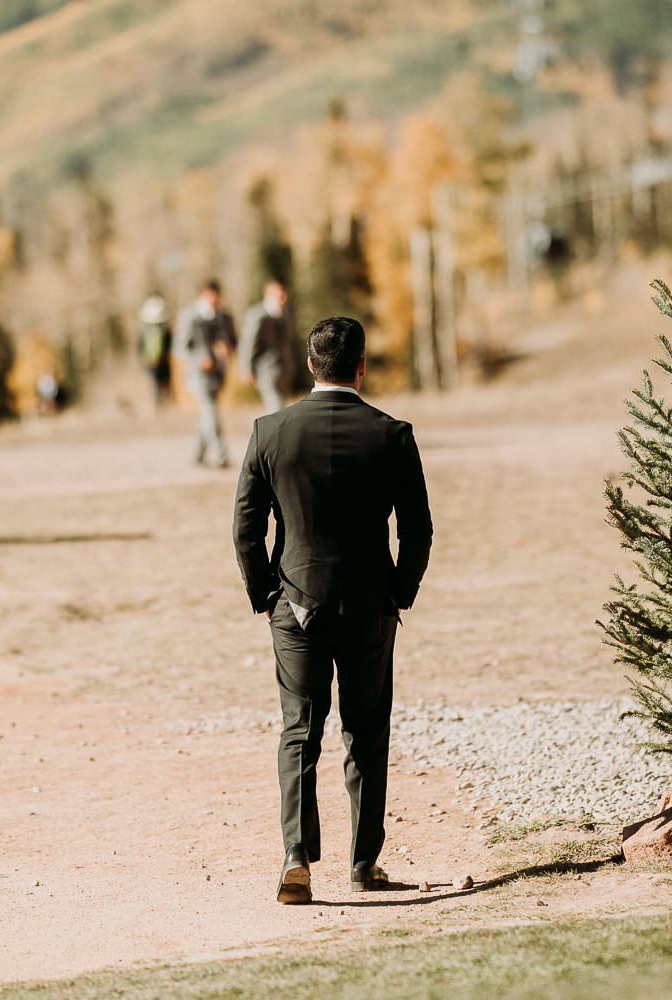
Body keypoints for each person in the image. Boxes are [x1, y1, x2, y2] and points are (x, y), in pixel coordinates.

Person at [232, 316, 433, 904]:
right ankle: (364, 862)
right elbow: (417, 530)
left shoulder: (270, 432)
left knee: (300, 730)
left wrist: (265, 595)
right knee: (366, 732)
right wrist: (399, 592)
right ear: (361, 367)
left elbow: (246, 529)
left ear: (309, 365)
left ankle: (296, 857)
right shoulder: (392, 435)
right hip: (370, 605)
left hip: (295, 603)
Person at [173, 280, 236, 467]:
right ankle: (221, 454)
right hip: (197, 375)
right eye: (210, 297)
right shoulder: (188, 317)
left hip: (218, 374)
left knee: (207, 415)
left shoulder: (224, 317)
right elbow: (179, 349)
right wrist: (199, 360)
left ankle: (198, 455)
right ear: (202, 295)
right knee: (210, 411)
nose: (214, 300)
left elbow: (234, 341)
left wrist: (227, 347)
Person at [238, 280, 295, 413]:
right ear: (268, 295)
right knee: (276, 405)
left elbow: (288, 339)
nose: (283, 298)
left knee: (278, 405)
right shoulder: (257, 315)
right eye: (279, 295)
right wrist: (246, 368)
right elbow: (248, 343)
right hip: (265, 369)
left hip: (284, 368)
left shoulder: (287, 313)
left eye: (284, 295)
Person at [138, 295, 172, 407]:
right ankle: (162, 403)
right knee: (162, 385)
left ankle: (161, 403)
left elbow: (140, 347)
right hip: (161, 362)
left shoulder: (146, 331)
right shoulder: (163, 330)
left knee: (157, 385)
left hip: (154, 363)